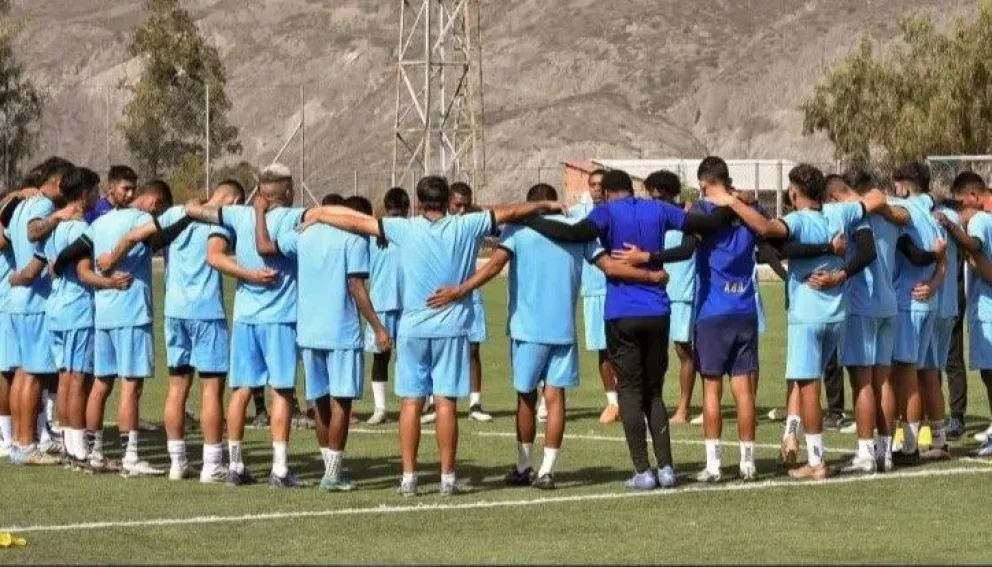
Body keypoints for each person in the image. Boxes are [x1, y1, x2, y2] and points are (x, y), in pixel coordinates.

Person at [299, 175, 561, 496]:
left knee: (411, 402)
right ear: (448, 200)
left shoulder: (404, 228)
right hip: (451, 328)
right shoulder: (465, 225)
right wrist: (545, 204)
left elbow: (357, 221)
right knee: (446, 402)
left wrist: (317, 214)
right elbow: (509, 212)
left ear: (418, 202)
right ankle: (447, 478)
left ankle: (408, 477)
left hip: (412, 329)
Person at [427, 183, 668, 489]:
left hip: (527, 329)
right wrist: (652, 275)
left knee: (526, 398)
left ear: (530, 206)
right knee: (556, 399)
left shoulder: (520, 228)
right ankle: (548, 470)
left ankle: (524, 465)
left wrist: (460, 290)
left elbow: (493, 267)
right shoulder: (578, 231)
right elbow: (610, 267)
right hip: (563, 329)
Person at [519, 169, 735, 489]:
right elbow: (709, 224)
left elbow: (573, 234)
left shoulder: (604, 213)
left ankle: (643, 471)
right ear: (632, 189)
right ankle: (666, 469)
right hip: (658, 310)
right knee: (654, 392)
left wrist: (531, 220)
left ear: (605, 193)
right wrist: (733, 204)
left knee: (630, 391)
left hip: (621, 312)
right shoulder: (659, 208)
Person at [714, 163, 883, 480]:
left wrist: (733, 202)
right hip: (837, 313)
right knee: (815, 380)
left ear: (794, 192)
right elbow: (876, 199)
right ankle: (808, 448)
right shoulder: (840, 214)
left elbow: (765, 229)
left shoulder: (796, 220)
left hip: (807, 315)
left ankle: (816, 461)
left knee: (808, 387)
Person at [95, 180, 246, 482]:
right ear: (234, 199)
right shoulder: (222, 220)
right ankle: (212, 465)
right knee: (211, 389)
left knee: (177, 388)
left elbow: (137, 235)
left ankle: (178, 463)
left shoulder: (174, 212)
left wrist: (112, 257)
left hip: (174, 312)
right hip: (206, 312)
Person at [185, 164, 307, 488]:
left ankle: (236, 466)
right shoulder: (294, 219)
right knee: (281, 390)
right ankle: (280, 469)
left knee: (240, 390)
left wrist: (203, 201)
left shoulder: (239, 216)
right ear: (289, 189)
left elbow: (193, 210)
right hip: (280, 318)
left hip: (245, 318)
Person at [54, 178, 173, 475]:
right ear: (155, 202)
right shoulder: (144, 218)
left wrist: (55, 266)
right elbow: (144, 237)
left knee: (100, 384)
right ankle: (130, 458)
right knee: (131, 386)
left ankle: (94, 453)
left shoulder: (101, 222)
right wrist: (113, 258)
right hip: (132, 310)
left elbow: (73, 250)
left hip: (103, 314)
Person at [271, 194, 390, 491]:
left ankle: (329, 468)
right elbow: (356, 286)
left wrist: (310, 218)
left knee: (319, 400)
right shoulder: (353, 240)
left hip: (309, 329)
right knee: (342, 402)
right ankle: (333, 474)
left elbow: (274, 242)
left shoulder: (306, 234)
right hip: (341, 329)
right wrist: (378, 327)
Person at [818, 172, 910, 473]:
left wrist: (840, 274)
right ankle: (885, 452)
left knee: (862, 382)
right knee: (883, 379)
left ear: (833, 197)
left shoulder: (854, 215)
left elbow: (866, 252)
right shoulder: (888, 214)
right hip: (888, 303)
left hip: (861, 304)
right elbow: (899, 216)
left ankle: (865, 453)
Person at [5, 156, 75, 466]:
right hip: (36, 301)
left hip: (19, 301)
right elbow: (36, 241)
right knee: (33, 376)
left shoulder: (21, 206)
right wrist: (60, 217)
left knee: (22, 374)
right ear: (59, 183)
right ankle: (26, 444)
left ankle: (21, 444)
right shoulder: (45, 207)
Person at [35, 167, 103, 468]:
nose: (98, 197)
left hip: (56, 307)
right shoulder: (79, 230)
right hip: (77, 308)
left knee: (64, 379)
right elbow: (83, 272)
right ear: (86, 193)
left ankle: (67, 445)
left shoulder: (55, 227)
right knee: (76, 379)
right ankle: (78, 450)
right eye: (96, 191)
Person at [888, 162, 946, 466]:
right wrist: (935, 284)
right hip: (928, 301)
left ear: (905, 187)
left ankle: (908, 445)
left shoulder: (906, 207)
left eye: (896, 186)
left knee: (905, 373)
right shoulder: (932, 211)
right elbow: (943, 258)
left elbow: (895, 216)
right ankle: (936, 438)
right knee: (926, 371)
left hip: (908, 300)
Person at [941, 171, 992, 454]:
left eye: (961, 204)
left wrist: (951, 227)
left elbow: (974, 245)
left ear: (973, 197)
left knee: (990, 374)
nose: (960, 211)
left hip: (988, 309)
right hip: (984, 306)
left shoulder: (981, 220)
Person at [643, 170, 695, 424]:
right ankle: (653, 405)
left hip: (682, 293)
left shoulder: (687, 219)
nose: (654, 201)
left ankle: (684, 409)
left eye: (659, 196)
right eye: (651, 195)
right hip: (653, 292)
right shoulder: (648, 219)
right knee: (653, 352)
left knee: (683, 350)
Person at [568, 169, 620, 424]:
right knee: (603, 350)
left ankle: (632, 400)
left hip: (621, 287)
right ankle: (613, 402)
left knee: (624, 348)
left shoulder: (620, 211)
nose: (596, 189)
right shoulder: (579, 213)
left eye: (600, 185)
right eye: (592, 184)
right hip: (593, 290)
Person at [441, 181, 492, 423]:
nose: (461, 210)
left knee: (473, 349)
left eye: (465, 205)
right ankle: (434, 402)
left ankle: (475, 403)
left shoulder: (473, 223)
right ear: (447, 203)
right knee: (439, 348)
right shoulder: (438, 225)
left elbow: (498, 227)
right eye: (456, 205)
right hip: (442, 294)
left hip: (470, 292)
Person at [365, 187, 409, 425]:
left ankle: (386, 408)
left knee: (390, 358)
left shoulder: (378, 232)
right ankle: (385, 408)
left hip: (386, 303)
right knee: (390, 357)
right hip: (395, 303)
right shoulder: (375, 233)